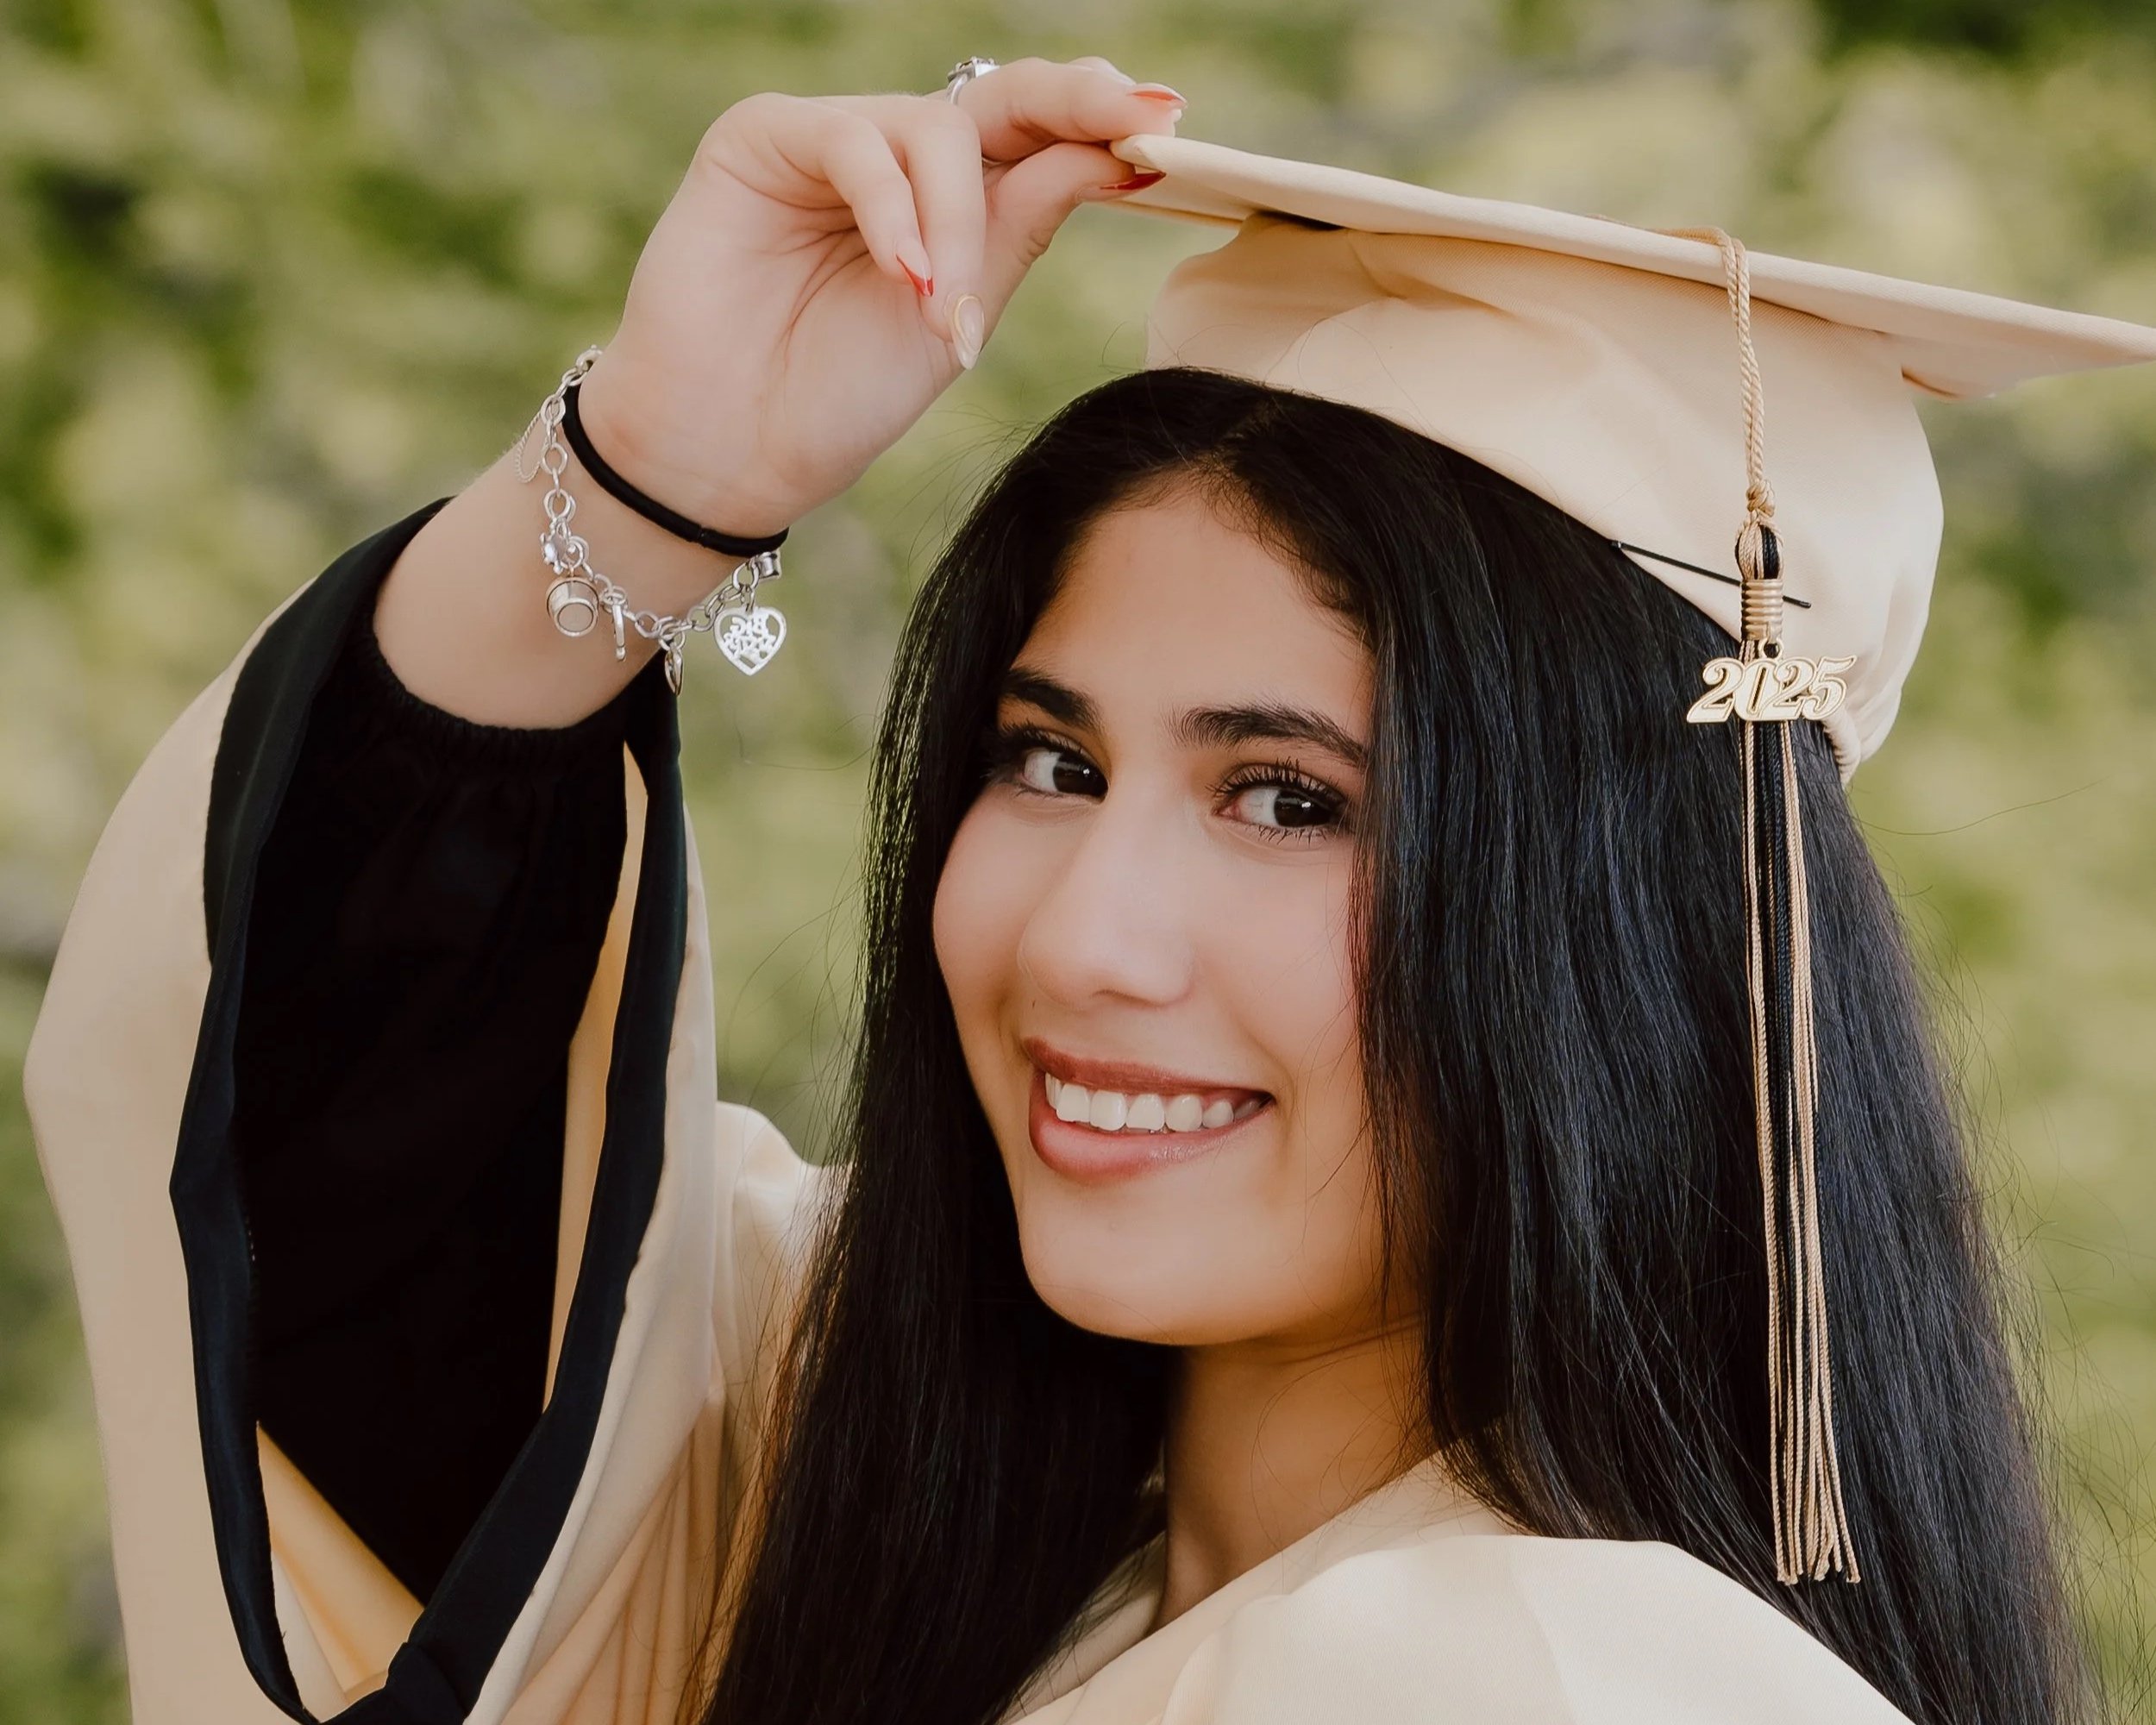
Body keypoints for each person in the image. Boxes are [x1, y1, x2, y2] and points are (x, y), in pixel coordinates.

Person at [23, 51, 2156, 1725]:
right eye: (1049, 761)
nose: (1076, 937)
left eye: (1290, 801)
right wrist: (652, 480)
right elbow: (322, 1134)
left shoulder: (1535, 1685)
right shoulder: (861, 1480)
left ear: (1648, 942)